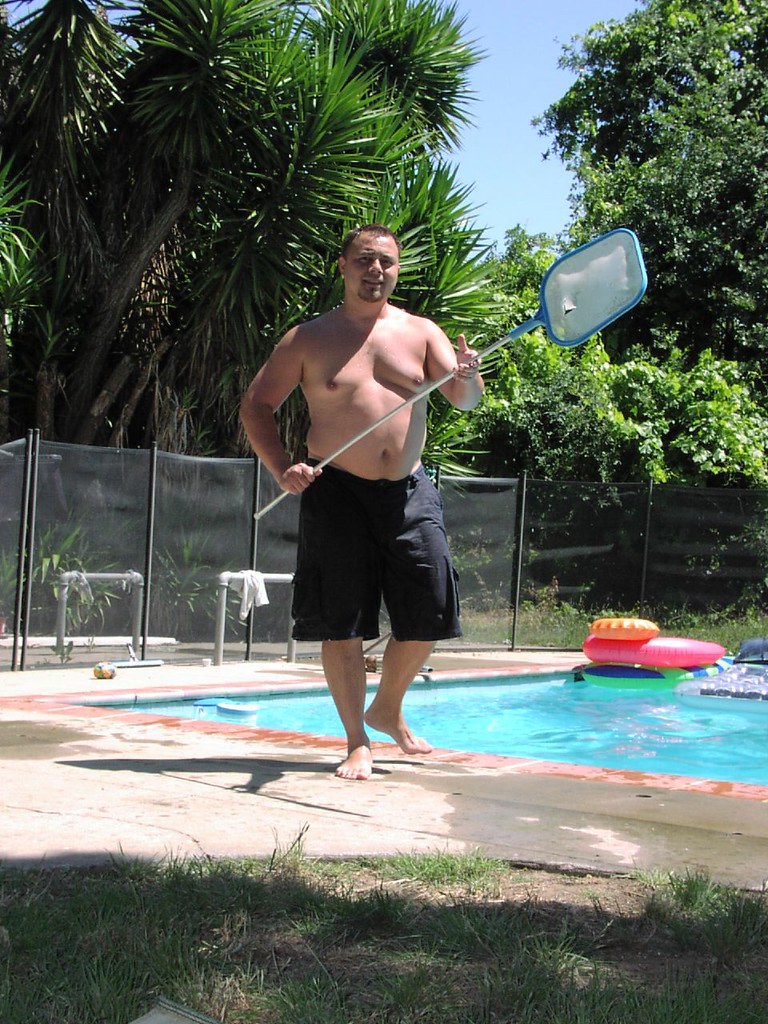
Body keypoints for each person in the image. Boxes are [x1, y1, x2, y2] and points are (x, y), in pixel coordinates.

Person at [239, 224, 484, 780]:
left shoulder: (422, 333)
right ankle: (356, 740)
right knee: (340, 622)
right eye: (366, 260)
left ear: (397, 271)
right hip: (336, 492)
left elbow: (463, 399)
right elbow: (256, 406)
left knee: (431, 604)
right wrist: (282, 469)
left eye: (388, 263)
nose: (377, 270)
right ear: (344, 266)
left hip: (408, 489)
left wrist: (468, 377)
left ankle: (387, 706)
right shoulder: (307, 339)